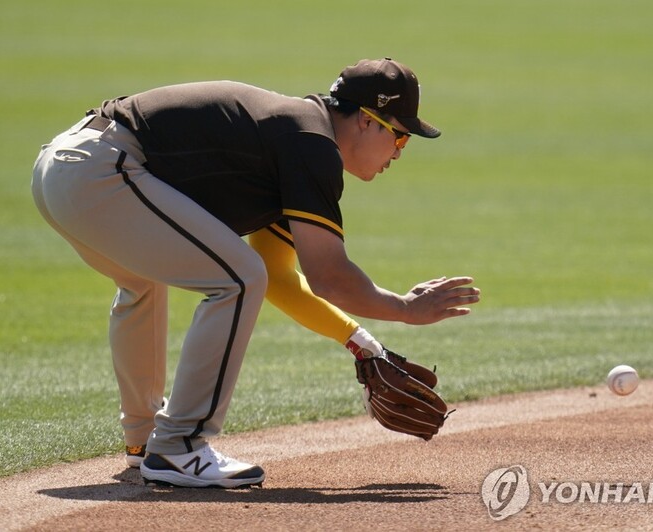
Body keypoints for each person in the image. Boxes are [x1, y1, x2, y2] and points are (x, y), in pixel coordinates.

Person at [31, 58, 480, 489]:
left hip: (65, 168)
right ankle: (180, 445)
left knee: (147, 283)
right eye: (400, 137)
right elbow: (328, 276)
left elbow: (278, 277)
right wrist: (404, 308)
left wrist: (361, 344)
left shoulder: (295, 137)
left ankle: (147, 436)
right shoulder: (310, 143)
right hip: (99, 170)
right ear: (366, 120)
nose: (400, 153)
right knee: (235, 278)